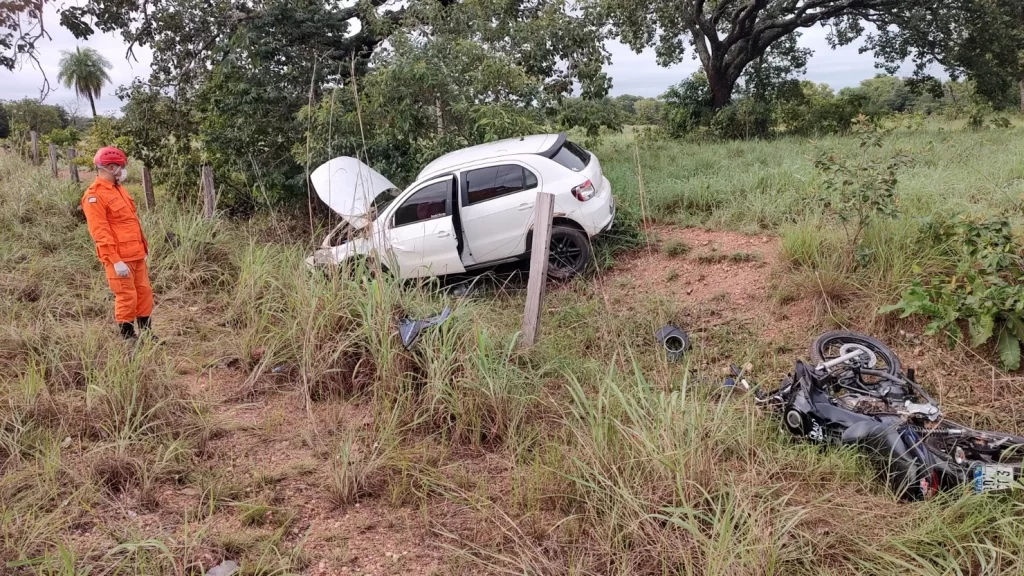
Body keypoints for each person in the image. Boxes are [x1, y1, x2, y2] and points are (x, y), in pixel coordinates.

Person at [81, 146, 156, 340]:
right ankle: (128, 336)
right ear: (111, 167)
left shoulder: (119, 190)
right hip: (119, 258)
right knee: (126, 296)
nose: (123, 171)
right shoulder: (94, 196)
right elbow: (100, 231)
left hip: (136, 253)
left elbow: (131, 223)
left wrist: (143, 248)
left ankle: (147, 333)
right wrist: (115, 260)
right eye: (121, 167)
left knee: (144, 293)